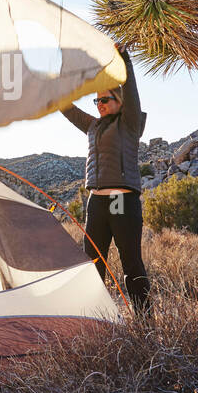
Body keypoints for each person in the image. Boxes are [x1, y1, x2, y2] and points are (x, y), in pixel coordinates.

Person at [61, 44, 150, 312]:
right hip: (96, 203)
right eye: (96, 101)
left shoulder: (129, 122)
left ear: (119, 101)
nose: (99, 105)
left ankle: (145, 323)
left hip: (121, 201)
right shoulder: (93, 125)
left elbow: (132, 93)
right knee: (92, 264)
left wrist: (125, 59)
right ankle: (95, 320)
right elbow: (69, 110)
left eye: (104, 100)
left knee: (130, 262)